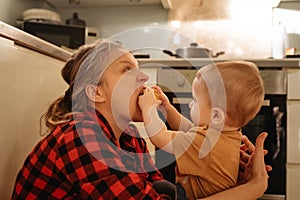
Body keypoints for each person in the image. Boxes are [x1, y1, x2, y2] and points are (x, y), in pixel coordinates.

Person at [11, 40, 269, 200]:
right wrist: (252, 190)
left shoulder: (129, 136)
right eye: (126, 69)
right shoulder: (80, 137)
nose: (143, 77)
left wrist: (218, 168)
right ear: (96, 92)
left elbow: (154, 188)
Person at [138, 61, 266, 199]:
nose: (191, 104)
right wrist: (167, 108)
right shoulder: (225, 135)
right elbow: (188, 129)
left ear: (216, 116)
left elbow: (159, 137)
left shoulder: (204, 143)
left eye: (195, 100)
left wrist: (148, 108)